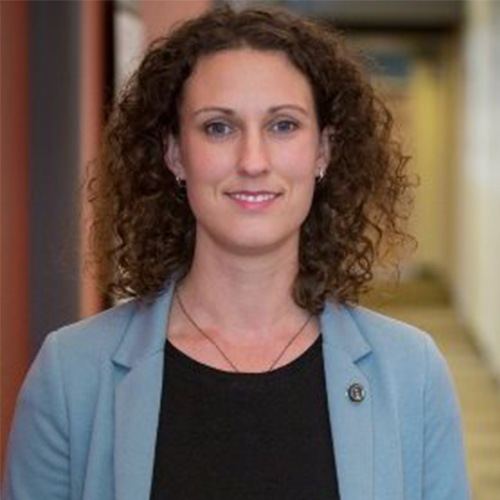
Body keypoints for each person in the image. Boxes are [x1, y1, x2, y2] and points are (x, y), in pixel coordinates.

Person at [3, 5, 470, 500]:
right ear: (175, 153)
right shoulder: (72, 375)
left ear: (323, 152)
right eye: (219, 128)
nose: (252, 161)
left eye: (283, 125)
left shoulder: (411, 373)